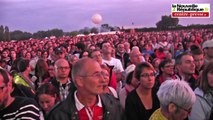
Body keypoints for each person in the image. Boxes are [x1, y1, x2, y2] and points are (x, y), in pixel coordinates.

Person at [47, 58, 124, 120]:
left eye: (102, 74)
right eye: (96, 75)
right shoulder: (58, 114)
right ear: (79, 81)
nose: (103, 79)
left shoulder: (115, 106)